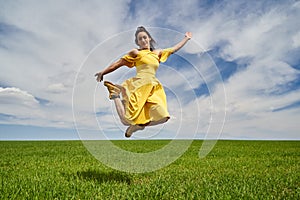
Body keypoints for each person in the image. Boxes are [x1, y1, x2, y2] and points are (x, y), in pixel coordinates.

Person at [95, 26, 192, 137]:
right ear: (137, 43)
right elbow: (118, 63)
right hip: (138, 86)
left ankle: (137, 126)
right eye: (140, 39)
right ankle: (115, 95)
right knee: (127, 120)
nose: (143, 40)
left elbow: (174, 49)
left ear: (149, 38)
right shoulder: (136, 53)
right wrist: (103, 72)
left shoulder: (157, 53)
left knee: (164, 117)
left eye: (145, 37)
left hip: (153, 87)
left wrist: (186, 38)